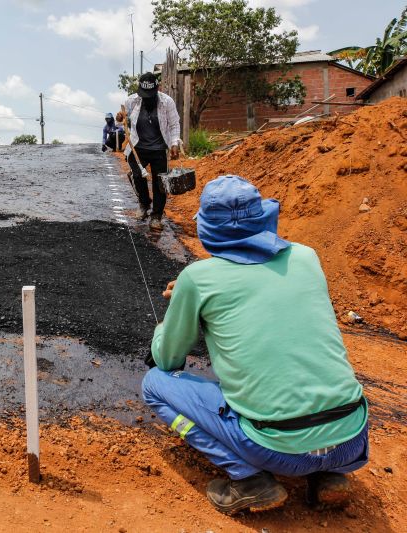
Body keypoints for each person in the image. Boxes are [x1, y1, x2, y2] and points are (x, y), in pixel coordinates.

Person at [142, 175, 369, 515]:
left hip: (277, 449)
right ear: (264, 217)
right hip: (353, 438)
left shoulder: (198, 278)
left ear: (208, 229)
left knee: (154, 385)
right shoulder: (307, 257)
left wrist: (178, 310)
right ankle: (329, 476)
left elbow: (168, 358)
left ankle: (248, 479)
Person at [124, 72, 183, 229]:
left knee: (160, 184)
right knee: (137, 175)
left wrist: (174, 143)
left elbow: (174, 124)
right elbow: (125, 118)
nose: (148, 98)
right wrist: (120, 118)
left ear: (158, 88)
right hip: (138, 148)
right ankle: (144, 204)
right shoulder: (132, 101)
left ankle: (156, 215)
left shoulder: (167, 102)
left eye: (151, 94)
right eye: (145, 94)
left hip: (158, 149)